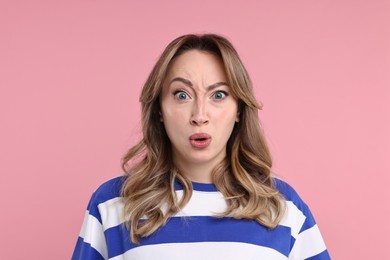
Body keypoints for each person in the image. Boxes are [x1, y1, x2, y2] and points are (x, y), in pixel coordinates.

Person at [72, 34, 331, 260]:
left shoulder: (283, 207)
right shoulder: (112, 204)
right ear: (160, 110)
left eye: (218, 95)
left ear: (238, 108)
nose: (199, 115)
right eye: (182, 95)